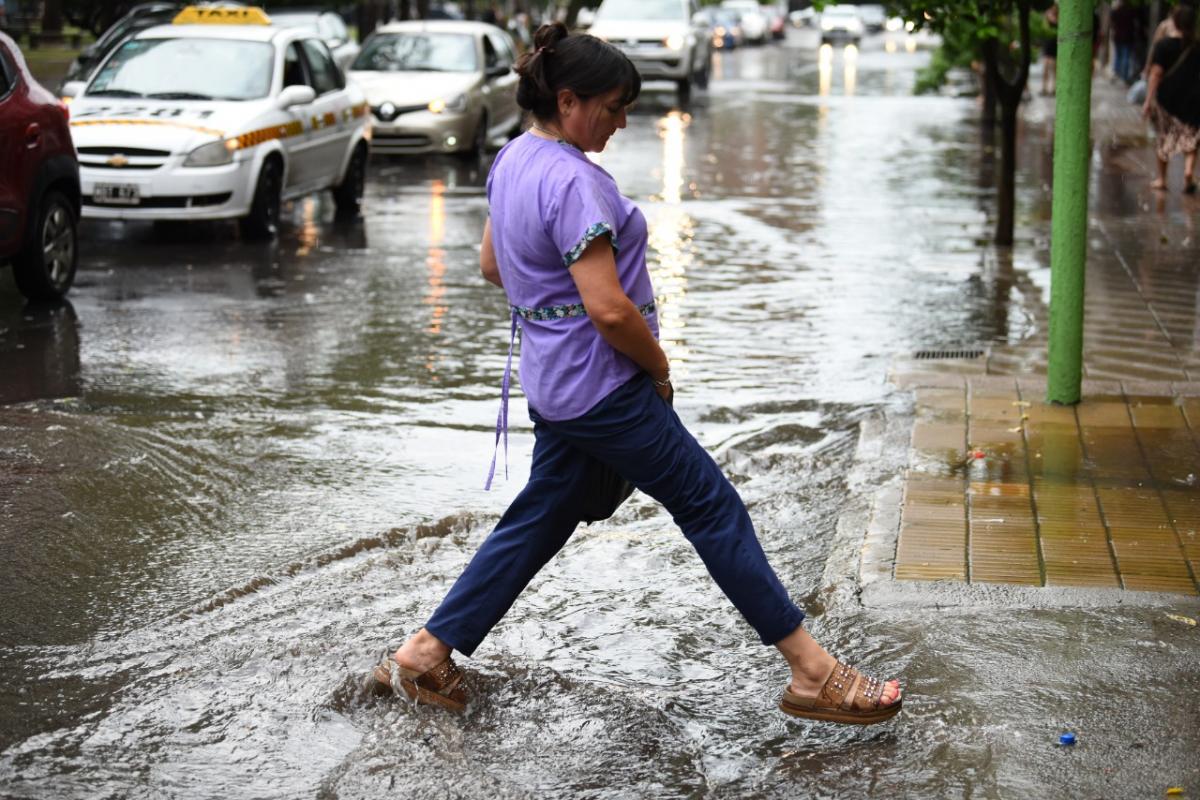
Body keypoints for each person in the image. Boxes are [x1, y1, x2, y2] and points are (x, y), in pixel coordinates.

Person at [368, 21, 903, 725]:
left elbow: (493, 266)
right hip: (604, 387)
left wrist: (550, 313)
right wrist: (658, 366)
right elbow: (611, 311)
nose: (622, 122)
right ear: (568, 101)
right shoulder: (576, 183)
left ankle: (426, 653)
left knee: (544, 513)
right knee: (711, 505)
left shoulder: (510, 161)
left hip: (553, 384)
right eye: (613, 107)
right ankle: (813, 673)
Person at [1142, 5, 1199, 193]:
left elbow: (1156, 74)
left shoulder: (1163, 45)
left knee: (1165, 136)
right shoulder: (1197, 45)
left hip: (1167, 98)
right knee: (1191, 134)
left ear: (1175, 22)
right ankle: (1188, 171)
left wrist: (1148, 100)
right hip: (1193, 96)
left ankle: (1161, 179)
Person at [1110, 0, 1139, 84]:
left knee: (1119, 56)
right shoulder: (1131, 11)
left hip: (1119, 37)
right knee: (1125, 56)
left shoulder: (1117, 11)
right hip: (1127, 37)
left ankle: (1117, 73)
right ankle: (1124, 76)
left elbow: (1112, 21)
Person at [1041, 5, 1059, 95]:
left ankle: (1053, 88)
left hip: (1055, 45)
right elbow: (1044, 28)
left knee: (1054, 69)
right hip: (1047, 44)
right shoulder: (1047, 16)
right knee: (1045, 67)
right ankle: (1044, 88)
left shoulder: (1060, 16)